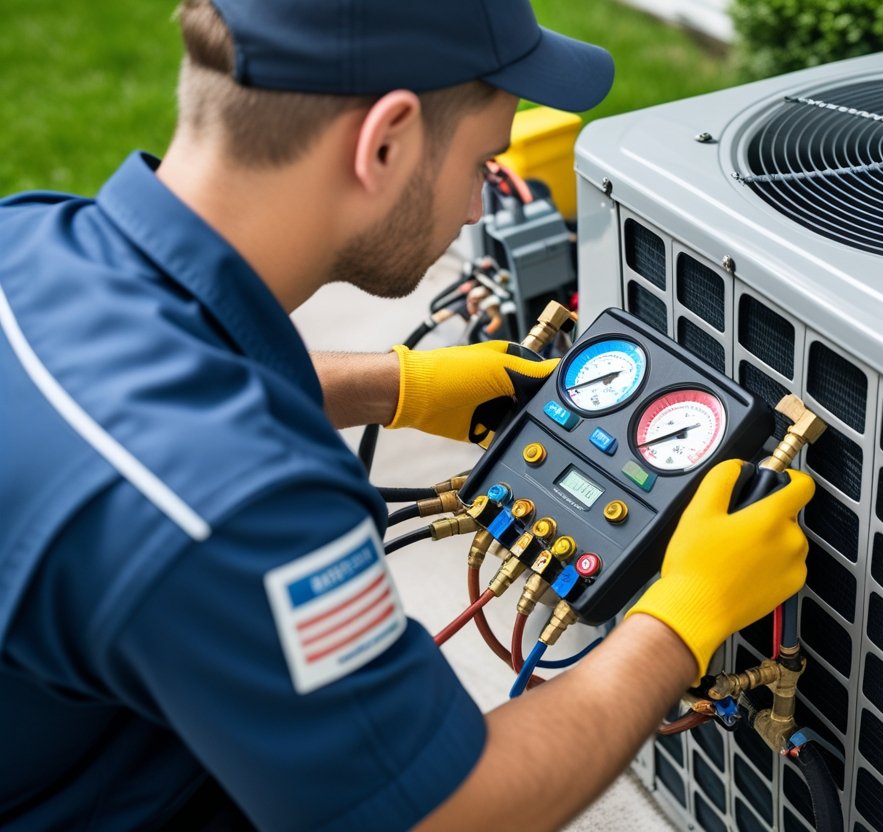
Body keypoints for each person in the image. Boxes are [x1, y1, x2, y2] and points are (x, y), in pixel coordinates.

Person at [0, 1, 816, 829]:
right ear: (384, 141)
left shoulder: (26, 234)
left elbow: (137, 388)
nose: (475, 210)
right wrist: (682, 618)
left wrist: (389, 385)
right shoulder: (241, 501)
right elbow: (448, 810)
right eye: (482, 164)